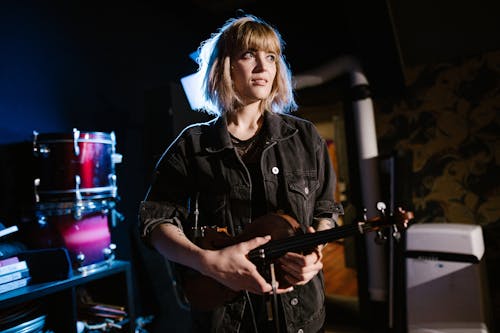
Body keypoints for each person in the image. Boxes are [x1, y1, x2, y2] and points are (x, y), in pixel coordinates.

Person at [139, 13, 342, 333]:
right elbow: (154, 222)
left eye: (271, 57)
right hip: (224, 319)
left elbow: (326, 211)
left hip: (300, 314)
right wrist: (206, 263)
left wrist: (314, 257)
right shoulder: (192, 144)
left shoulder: (305, 137)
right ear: (225, 65)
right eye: (249, 55)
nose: (263, 67)